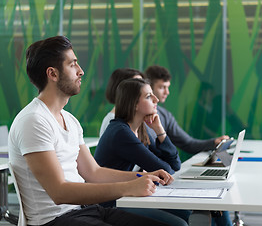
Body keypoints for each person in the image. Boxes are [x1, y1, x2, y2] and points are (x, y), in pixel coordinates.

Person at [8, 36, 173, 226]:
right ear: (52, 74)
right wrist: (129, 187)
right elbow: (59, 192)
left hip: (85, 210)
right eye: (73, 65)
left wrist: (144, 176)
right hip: (56, 220)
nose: (81, 71)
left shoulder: (69, 120)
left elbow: (93, 172)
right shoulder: (33, 120)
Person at [145, 65, 232, 226]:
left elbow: (187, 143)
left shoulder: (164, 115)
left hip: (167, 176)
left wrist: (213, 142)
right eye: (162, 87)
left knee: (218, 203)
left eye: (168, 87)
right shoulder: (139, 120)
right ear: (148, 88)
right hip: (157, 180)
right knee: (207, 207)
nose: (166, 92)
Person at [95, 78, 190, 226]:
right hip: (111, 201)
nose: (156, 99)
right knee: (179, 224)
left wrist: (159, 131)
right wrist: (163, 170)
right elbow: (165, 171)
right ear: (134, 104)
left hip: (128, 195)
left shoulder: (140, 129)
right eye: (148, 96)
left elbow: (175, 165)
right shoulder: (121, 132)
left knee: (187, 212)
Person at [99, 68, 144, 137]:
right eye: (136, 86)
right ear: (121, 89)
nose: (143, 90)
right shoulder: (112, 121)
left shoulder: (133, 118)